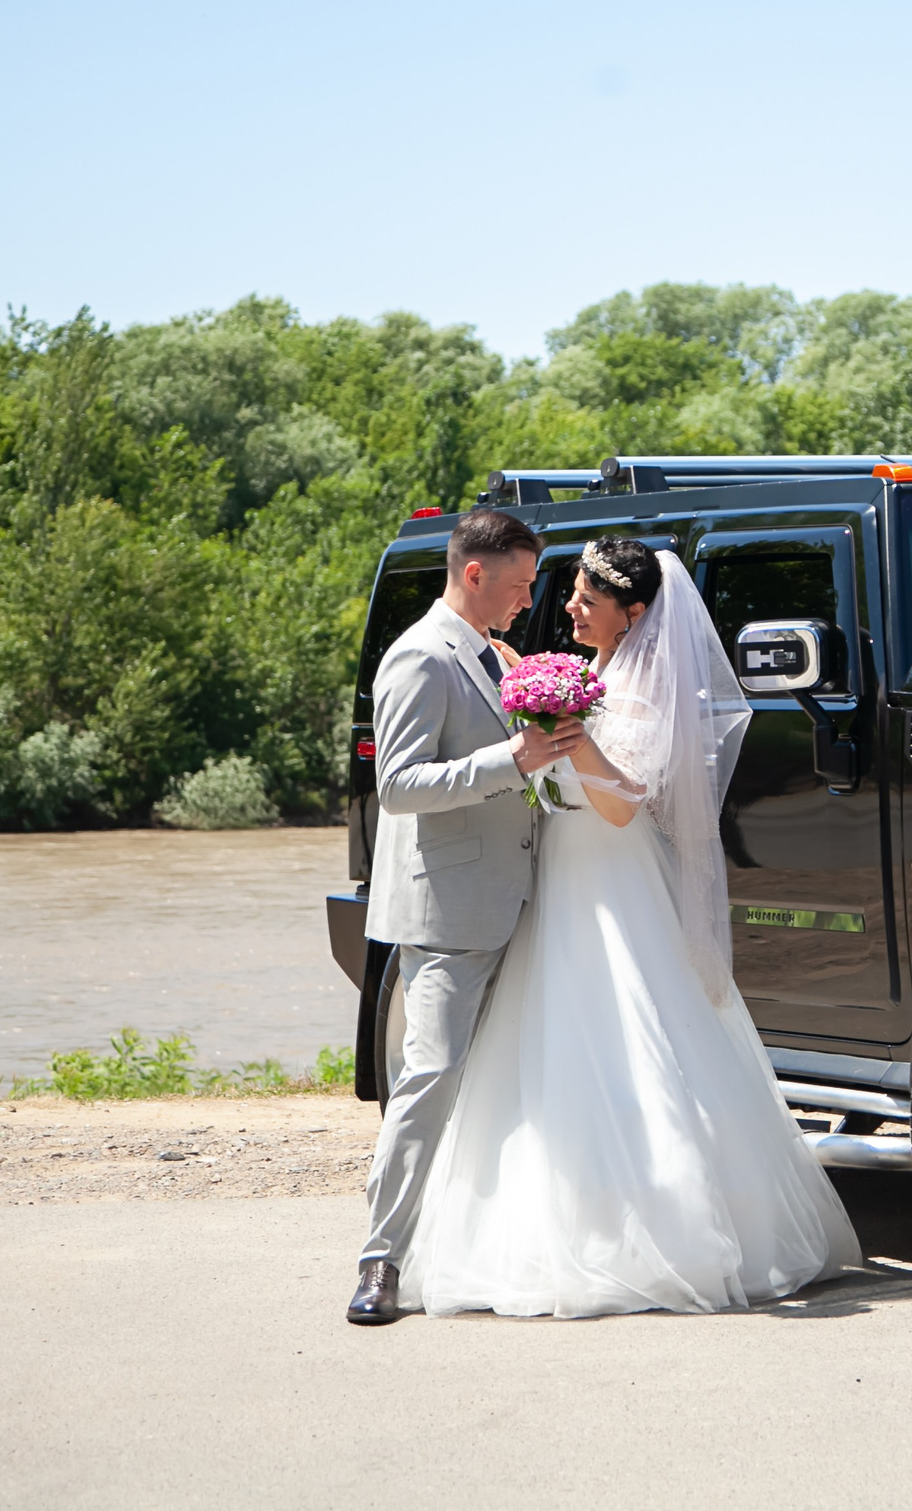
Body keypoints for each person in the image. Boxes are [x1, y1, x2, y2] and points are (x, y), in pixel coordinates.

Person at [394, 536, 860, 1318]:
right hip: (557, 876)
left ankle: (664, 1235)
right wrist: (538, 697)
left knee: (634, 1041)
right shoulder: (592, 673)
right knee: (545, 1051)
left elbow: (622, 802)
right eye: (570, 590)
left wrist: (573, 734)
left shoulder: (639, 689)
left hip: (611, 880)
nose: (568, 606)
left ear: (633, 614)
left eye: (586, 598)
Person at [350, 507, 575, 1324]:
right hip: (448, 908)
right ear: (473, 574)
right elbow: (400, 785)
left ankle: (498, 1247)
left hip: (520, 895)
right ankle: (381, 1260)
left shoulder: (494, 654)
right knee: (430, 1077)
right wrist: (510, 759)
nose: (527, 600)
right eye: (517, 585)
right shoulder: (419, 655)